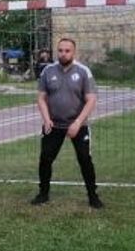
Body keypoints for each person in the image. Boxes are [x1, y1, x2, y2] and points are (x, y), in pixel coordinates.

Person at [32, 37, 103, 209]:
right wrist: (47, 119)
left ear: (74, 52)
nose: (63, 54)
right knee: (45, 159)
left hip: (78, 125)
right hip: (53, 124)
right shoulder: (48, 71)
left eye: (67, 51)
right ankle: (43, 193)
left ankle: (93, 196)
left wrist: (78, 122)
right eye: (60, 50)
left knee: (85, 159)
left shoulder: (83, 71)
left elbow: (91, 100)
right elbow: (41, 98)